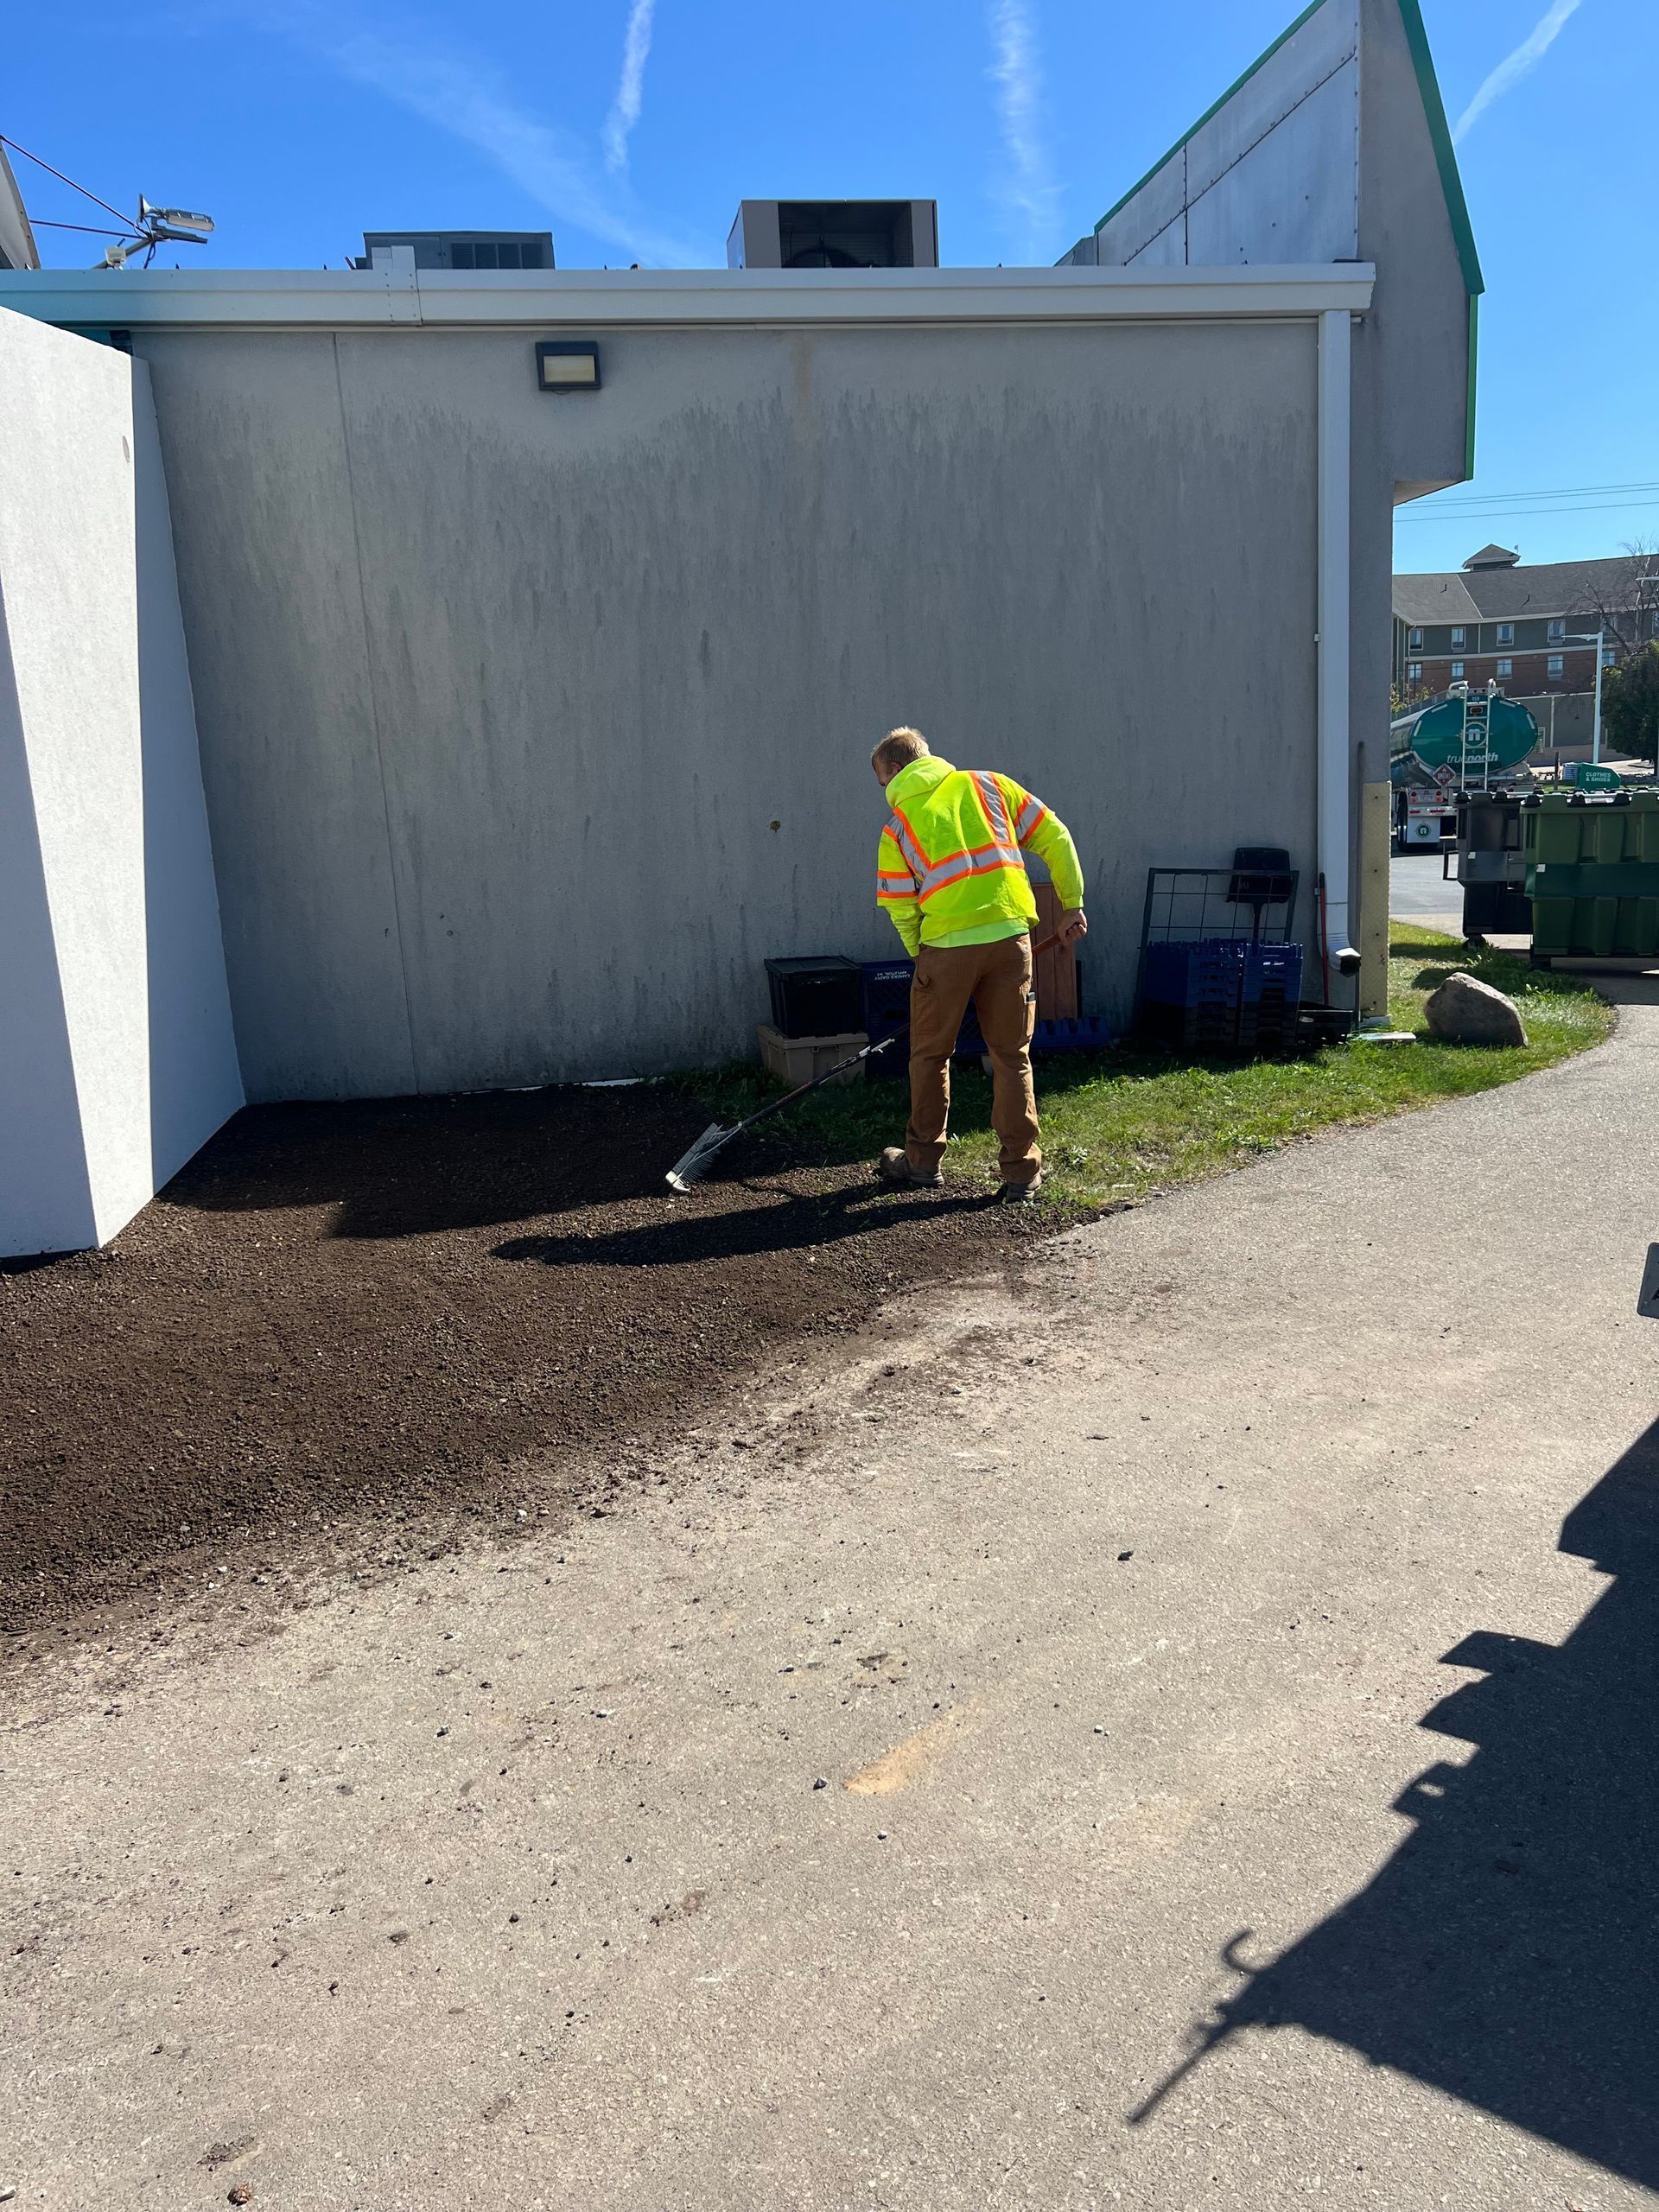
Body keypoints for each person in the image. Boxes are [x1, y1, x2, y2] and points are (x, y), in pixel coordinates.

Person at [871, 726, 1086, 1202]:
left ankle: (922, 1161)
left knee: (930, 1056)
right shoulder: (991, 785)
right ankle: (1021, 1173)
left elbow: (902, 908)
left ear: (890, 773)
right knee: (1011, 1056)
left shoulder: (898, 826)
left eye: (881, 782)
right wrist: (1071, 904)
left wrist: (922, 956)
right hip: (1011, 938)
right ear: (926, 755)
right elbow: (1056, 834)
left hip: (944, 948)